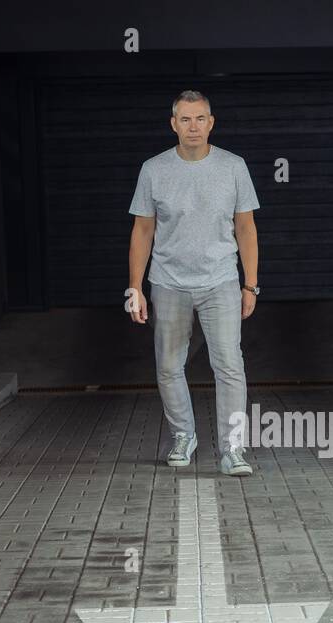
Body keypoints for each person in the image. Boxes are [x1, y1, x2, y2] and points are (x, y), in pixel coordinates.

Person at [126, 90, 261, 477]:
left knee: (230, 365)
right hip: (168, 283)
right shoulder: (154, 169)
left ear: (211, 122)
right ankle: (183, 436)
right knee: (169, 366)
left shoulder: (234, 167)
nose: (193, 127)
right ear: (173, 124)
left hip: (220, 280)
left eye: (200, 118)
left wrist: (250, 285)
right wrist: (135, 287)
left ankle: (233, 449)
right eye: (185, 119)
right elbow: (143, 230)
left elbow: (246, 228)